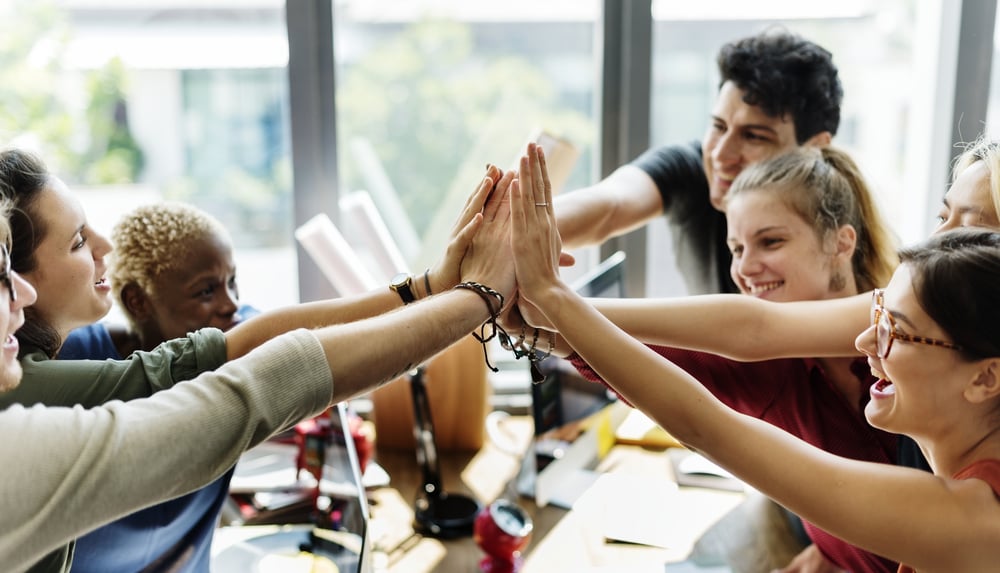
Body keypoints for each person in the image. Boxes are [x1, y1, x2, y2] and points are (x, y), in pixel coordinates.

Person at [0, 147, 513, 572]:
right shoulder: (25, 401)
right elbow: (263, 374)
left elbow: (265, 342)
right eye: (75, 242)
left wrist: (437, 287)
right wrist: (470, 295)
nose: (102, 245)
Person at [511, 144, 1000, 573]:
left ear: (986, 376)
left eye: (976, 231)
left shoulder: (976, 517)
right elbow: (750, 333)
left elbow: (715, 420)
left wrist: (553, 303)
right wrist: (547, 316)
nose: (865, 341)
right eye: (943, 217)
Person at [555, 29, 842, 295]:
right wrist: (518, 228)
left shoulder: (843, 232)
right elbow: (610, 205)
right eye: (718, 126)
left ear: (815, 148)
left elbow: (755, 329)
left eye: (754, 136)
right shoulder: (694, 168)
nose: (720, 155)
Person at [54, 202, 257, 572]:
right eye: (206, 292)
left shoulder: (243, 336)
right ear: (138, 301)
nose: (233, 305)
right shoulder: (69, 362)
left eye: (232, 282)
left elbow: (306, 336)